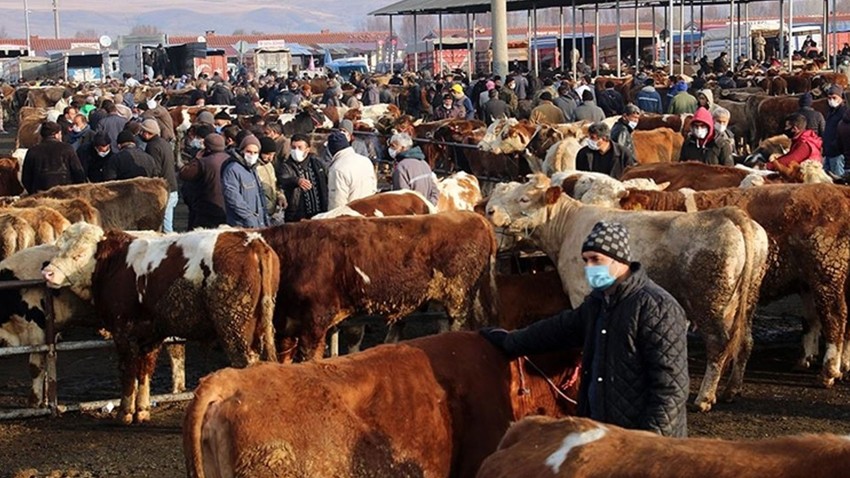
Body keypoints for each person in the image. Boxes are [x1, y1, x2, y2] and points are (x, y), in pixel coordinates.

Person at [479, 221, 689, 437]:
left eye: (596, 259)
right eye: (585, 260)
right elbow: (558, 329)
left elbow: (671, 388)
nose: (588, 267)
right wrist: (509, 341)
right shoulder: (599, 303)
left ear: (620, 260)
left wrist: (649, 441)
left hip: (644, 443)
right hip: (604, 435)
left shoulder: (657, 307)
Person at [178, 133, 229, 228]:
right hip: (226, 207)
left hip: (206, 207)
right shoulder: (229, 159)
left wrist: (196, 159)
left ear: (207, 148)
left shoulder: (203, 162)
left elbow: (184, 174)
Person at [21, 121, 86, 193]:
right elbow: (78, 173)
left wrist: (33, 192)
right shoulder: (67, 149)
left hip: (40, 195)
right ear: (56, 135)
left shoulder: (33, 151)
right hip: (65, 193)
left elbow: (26, 178)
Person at [278, 133, 329, 222]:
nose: (296, 150)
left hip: (318, 214)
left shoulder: (317, 163)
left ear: (307, 149)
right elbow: (283, 179)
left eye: (300, 147)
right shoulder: (286, 165)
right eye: (293, 147)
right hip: (297, 215)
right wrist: (296, 181)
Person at [221, 135, 269, 228]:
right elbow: (233, 197)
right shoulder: (232, 169)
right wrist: (249, 217)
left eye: (255, 152)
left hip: (258, 223)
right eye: (249, 152)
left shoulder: (253, 169)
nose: (252, 155)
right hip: (241, 224)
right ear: (242, 150)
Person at [140, 119, 179, 233]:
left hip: (164, 190)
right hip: (172, 186)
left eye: (142, 131)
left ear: (147, 132)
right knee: (167, 221)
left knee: (165, 226)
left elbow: (155, 169)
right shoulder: (164, 143)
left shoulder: (152, 146)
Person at [326, 130, 377, 209]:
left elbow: (337, 201)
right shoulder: (366, 161)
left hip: (349, 215)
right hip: (368, 210)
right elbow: (374, 188)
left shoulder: (337, 169)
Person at [389, 132, 439, 205]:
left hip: (412, 212)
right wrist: (429, 206)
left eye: (393, 146)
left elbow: (402, 198)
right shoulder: (424, 163)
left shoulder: (401, 167)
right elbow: (434, 190)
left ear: (402, 148)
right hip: (426, 210)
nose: (390, 149)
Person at [258, 136, 285, 220]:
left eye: (272, 155)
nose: (270, 158)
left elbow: (274, 184)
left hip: (272, 211)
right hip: (261, 212)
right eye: (267, 154)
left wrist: (280, 196)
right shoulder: (255, 168)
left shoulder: (270, 166)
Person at [824, 86, 849, 177]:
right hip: (828, 152)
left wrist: (836, 146)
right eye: (829, 98)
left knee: (838, 180)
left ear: (840, 98)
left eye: (834, 98)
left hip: (837, 154)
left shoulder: (844, 112)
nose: (831, 100)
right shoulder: (831, 111)